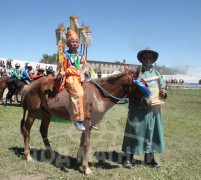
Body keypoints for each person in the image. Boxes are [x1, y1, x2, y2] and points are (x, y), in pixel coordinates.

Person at [122, 47, 167, 168]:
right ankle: (128, 159)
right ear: (141, 59)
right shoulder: (136, 72)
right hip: (138, 108)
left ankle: (149, 159)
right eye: (145, 57)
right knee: (134, 131)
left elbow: (163, 89)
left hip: (153, 109)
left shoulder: (157, 74)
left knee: (152, 132)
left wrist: (163, 93)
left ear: (153, 60)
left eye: (150, 57)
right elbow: (129, 89)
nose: (148, 59)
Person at [59, 31, 88, 131]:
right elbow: (62, 69)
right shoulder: (65, 55)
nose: (75, 43)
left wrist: (83, 71)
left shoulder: (81, 55)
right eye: (72, 42)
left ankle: (88, 118)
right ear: (68, 44)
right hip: (71, 78)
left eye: (76, 42)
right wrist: (61, 68)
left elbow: (85, 66)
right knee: (79, 93)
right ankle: (78, 120)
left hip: (81, 77)